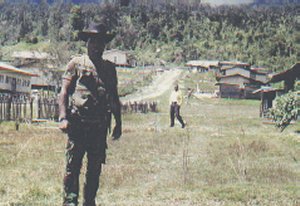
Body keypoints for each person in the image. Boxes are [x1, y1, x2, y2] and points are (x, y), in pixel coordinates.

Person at [58, 21, 122, 206]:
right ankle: (70, 202)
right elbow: (63, 92)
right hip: (78, 126)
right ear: (87, 43)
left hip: (99, 127)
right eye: (93, 42)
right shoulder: (76, 63)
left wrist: (119, 123)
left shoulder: (109, 69)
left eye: (100, 42)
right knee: (72, 168)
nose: (97, 46)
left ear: (104, 45)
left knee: (94, 169)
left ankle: (89, 202)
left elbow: (114, 97)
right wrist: (62, 117)